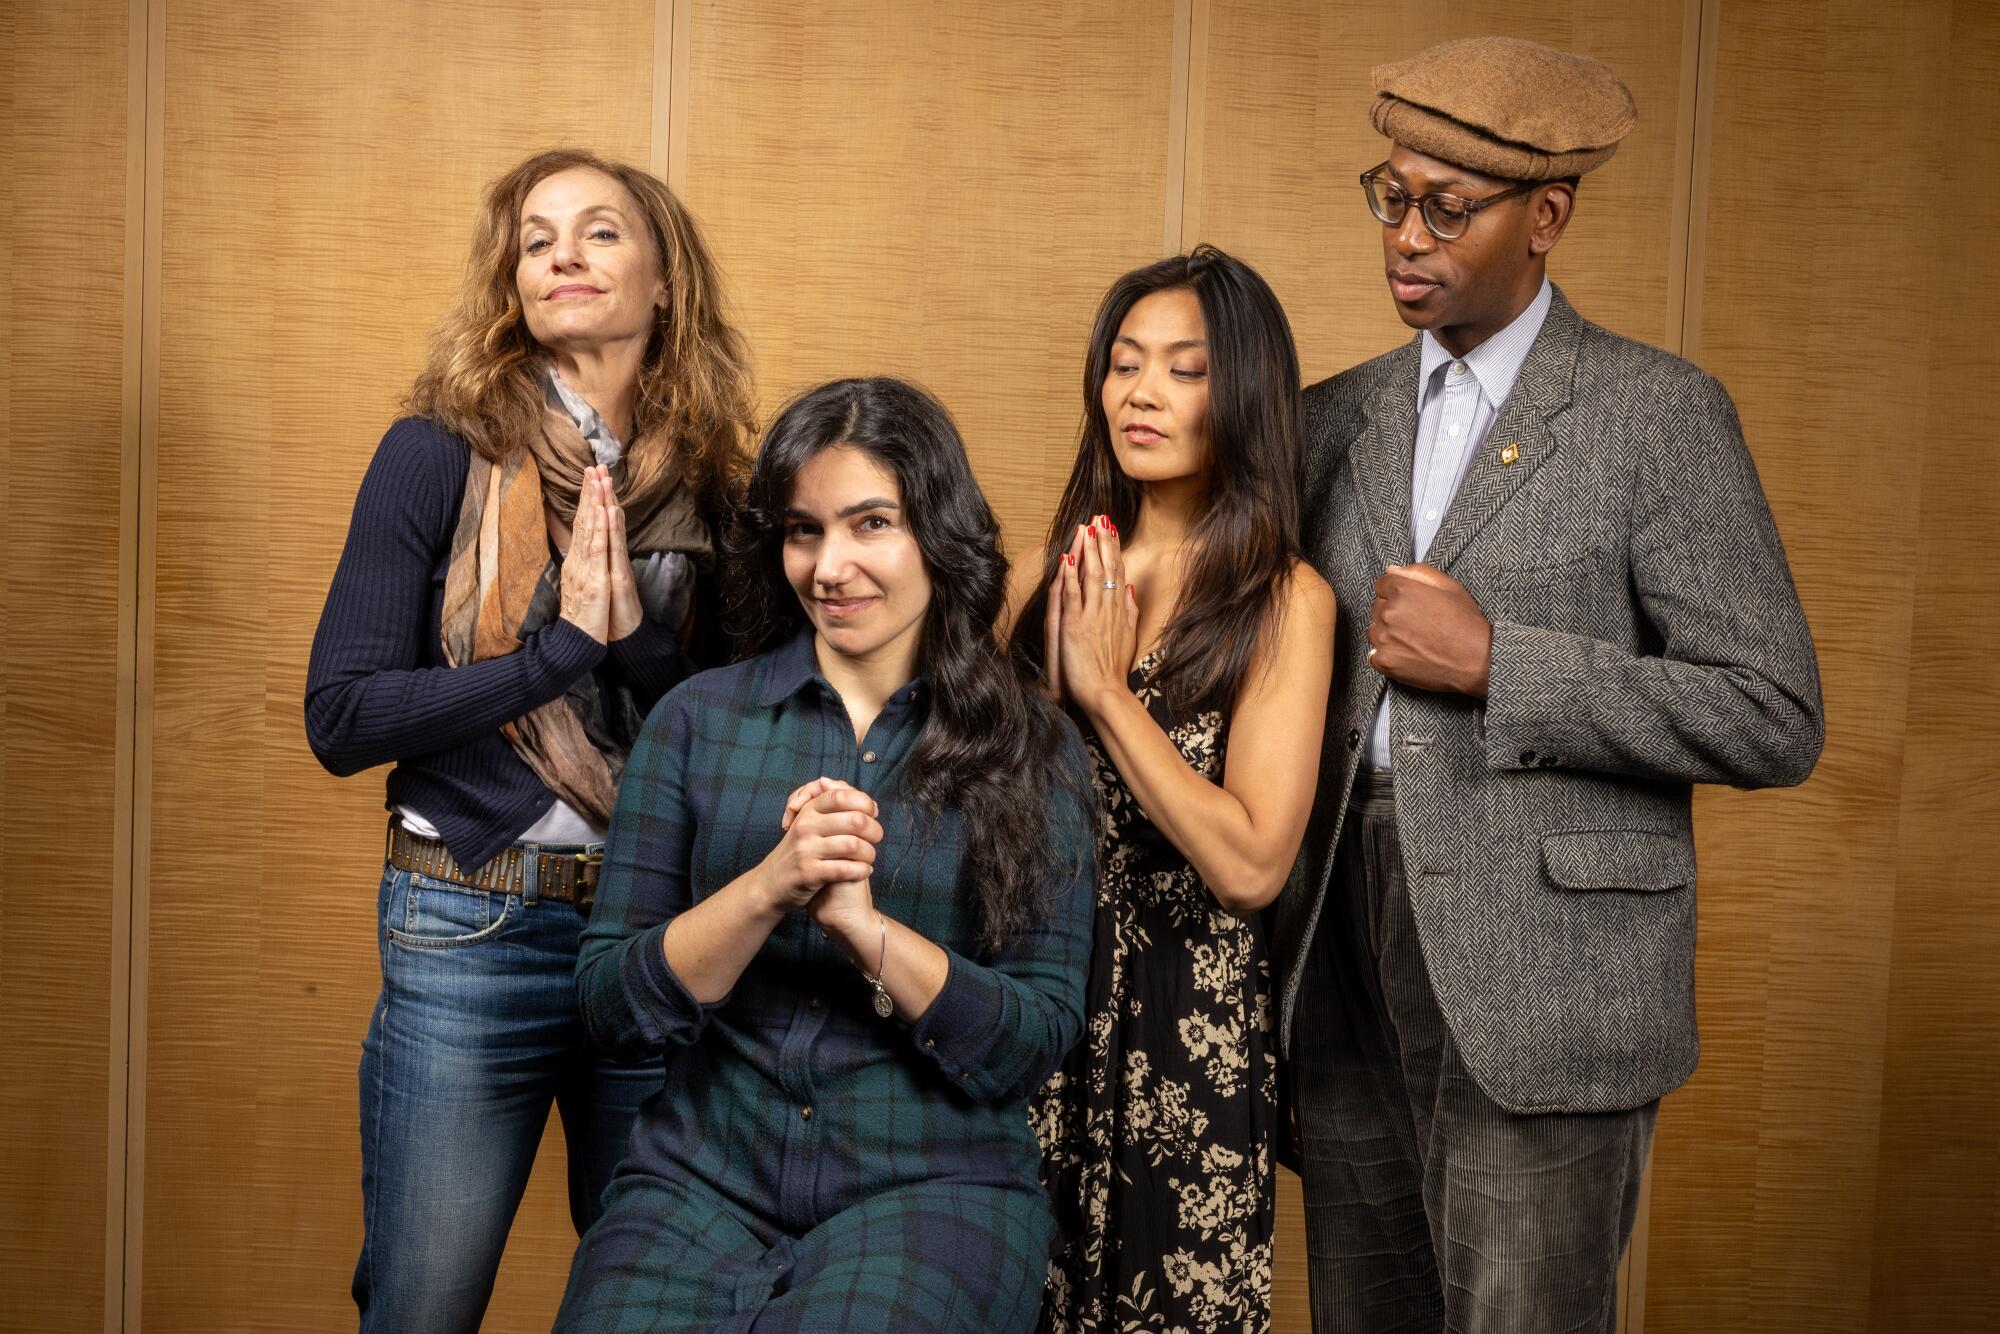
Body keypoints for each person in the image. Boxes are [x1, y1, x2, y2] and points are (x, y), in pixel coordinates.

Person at [1276, 37, 1825, 1333]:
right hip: (1339, 957)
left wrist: (1502, 665)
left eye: (1447, 208)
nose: (1406, 235)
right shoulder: (1323, 419)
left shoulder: (1658, 417)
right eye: (1388, 196)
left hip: (1554, 985)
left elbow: (1773, 710)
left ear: (1548, 218)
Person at [304, 148, 754, 1332]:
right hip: (467, 923)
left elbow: (735, 733)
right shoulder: (431, 453)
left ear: (664, 281)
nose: (562, 251)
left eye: (600, 231)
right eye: (536, 233)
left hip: (655, 929)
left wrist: (634, 641)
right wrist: (555, 654)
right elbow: (342, 716)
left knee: (658, 1302)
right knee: (425, 1301)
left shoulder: (718, 486)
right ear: (511, 279)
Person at [553, 377, 1095, 1333]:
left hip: (934, 1192)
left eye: (871, 523)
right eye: (805, 531)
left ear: (939, 530)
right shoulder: (699, 723)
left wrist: (864, 927)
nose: (831, 566)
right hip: (700, 1183)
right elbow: (612, 1009)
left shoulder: (1031, 746)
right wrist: (768, 889)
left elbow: (1033, 1040)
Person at [1008, 246, 1337, 1333]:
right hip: (1035, 1005)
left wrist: (1104, 695)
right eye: (1123, 362)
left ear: (1238, 393)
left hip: (1187, 1026)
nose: (1139, 392)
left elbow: (1249, 863)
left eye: (1182, 369)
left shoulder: (1282, 599)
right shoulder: (1049, 573)